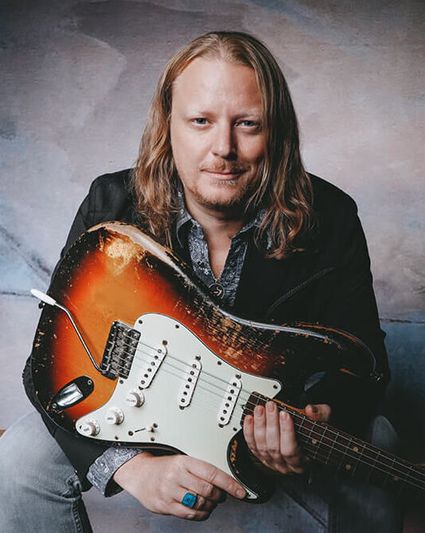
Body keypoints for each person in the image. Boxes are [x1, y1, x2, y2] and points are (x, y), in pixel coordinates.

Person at [0, 31, 402, 532]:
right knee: (18, 459)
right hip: (136, 416)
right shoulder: (111, 205)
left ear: (276, 132)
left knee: (378, 439)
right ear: (168, 125)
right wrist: (131, 467)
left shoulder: (332, 218)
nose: (223, 148)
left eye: (247, 124)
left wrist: (322, 416)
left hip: (258, 428)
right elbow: (48, 359)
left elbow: (367, 365)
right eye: (200, 122)